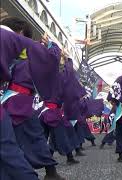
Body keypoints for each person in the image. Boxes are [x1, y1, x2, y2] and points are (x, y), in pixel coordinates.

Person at [1, 17, 65, 180]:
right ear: (20, 33)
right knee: (16, 144)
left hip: (15, 101)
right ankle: (48, 173)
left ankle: (49, 173)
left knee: (21, 142)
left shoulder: (17, 50)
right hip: (19, 102)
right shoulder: (19, 45)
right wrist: (50, 44)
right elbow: (52, 56)